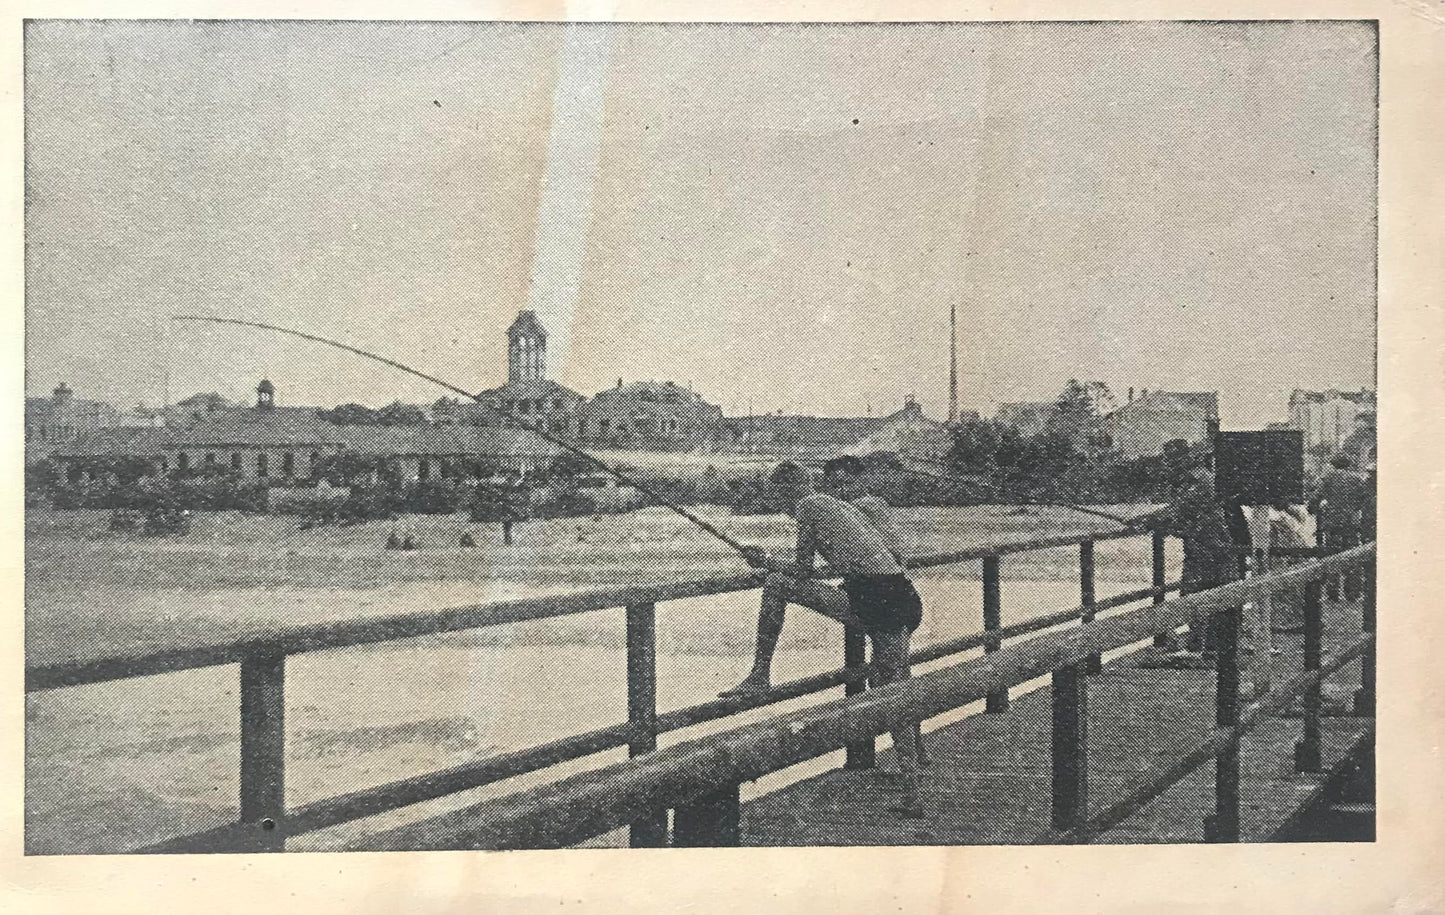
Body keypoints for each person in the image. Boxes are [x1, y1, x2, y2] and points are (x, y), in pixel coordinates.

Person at [722, 461, 926, 816]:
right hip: (902, 597)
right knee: (894, 684)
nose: (782, 508)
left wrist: (766, 560)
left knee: (776, 585)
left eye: (778, 498)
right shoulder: (839, 507)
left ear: (788, 490)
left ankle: (759, 675)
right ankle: (915, 767)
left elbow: (801, 572)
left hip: (878, 603)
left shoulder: (809, 506)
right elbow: (872, 557)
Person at [1148, 449, 1242, 663]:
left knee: (1194, 597)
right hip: (1209, 548)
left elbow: (1177, 511)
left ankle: (1200, 647)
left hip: (1209, 550)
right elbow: (1183, 518)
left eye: (1172, 464)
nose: (1170, 469)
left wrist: (1146, 520)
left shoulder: (1197, 481)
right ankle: (1206, 646)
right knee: (1210, 597)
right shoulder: (1200, 478)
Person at [1311, 454, 1367, 601]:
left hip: (1333, 523)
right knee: (1352, 557)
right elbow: (1364, 497)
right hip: (1351, 523)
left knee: (1333, 556)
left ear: (1333, 464)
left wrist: (1313, 508)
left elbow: (1316, 497)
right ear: (1348, 464)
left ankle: (1333, 593)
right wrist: (1354, 508)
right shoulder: (1356, 479)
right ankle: (1353, 593)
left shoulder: (1328, 477)